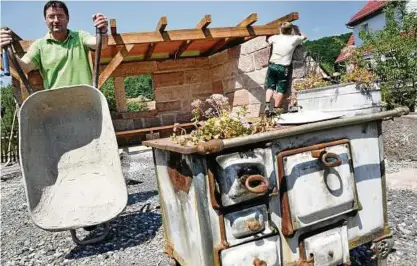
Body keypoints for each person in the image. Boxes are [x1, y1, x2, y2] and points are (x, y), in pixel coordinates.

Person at [0, 0, 109, 90]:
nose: (56, 20)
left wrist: (103, 30)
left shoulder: (80, 36)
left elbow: (101, 44)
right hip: (56, 105)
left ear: (67, 18)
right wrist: (2, 50)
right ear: (46, 20)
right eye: (51, 16)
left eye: (60, 16)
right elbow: (24, 66)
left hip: (85, 98)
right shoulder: (39, 45)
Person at [264, 22, 307, 116]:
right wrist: (298, 30)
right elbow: (304, 36)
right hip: (283, 68)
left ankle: (267, 105)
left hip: (272, 65)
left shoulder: (275, 38)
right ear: (290, 30)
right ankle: (275, 110)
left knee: (270, 87)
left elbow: (268, 39)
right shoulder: (294, 39)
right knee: (280, 89)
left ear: (280, 29)